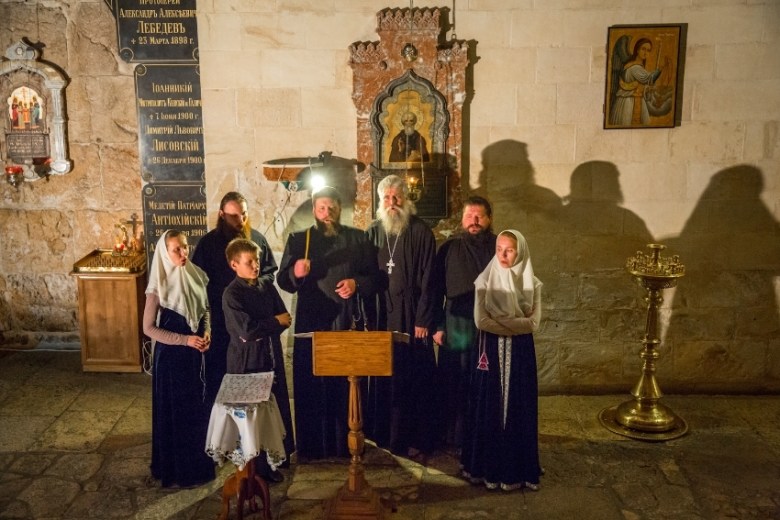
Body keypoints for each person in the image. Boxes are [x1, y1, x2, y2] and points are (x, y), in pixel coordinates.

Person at [277, 186, 378, 461]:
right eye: (321, 208)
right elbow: (283, 281)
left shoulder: (358, 239)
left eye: (331, 208)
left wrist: (356, 283)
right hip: (313, 323)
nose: (327, 213)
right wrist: (295, 271)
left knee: (345, 384)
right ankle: (313, 446)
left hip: (346, 322)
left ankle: (347, 444)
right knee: (313, 384)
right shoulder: (300, 240)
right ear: (314, 210)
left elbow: (375, 278)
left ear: (339, 209)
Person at [460, 229, 543, 492]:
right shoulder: (484, 281)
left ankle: (517, 468)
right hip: (489, 350)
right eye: (499, 249)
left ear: (521, 252)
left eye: (509, 250)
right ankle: (486, 466)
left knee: (519, 405)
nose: (503, 255)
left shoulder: (533, 284)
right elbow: (481, 321)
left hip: (520, 353)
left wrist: (501, 322)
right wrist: (515, 324)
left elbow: (534, 323)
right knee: (488, 405)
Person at [364, 175, 438, 462]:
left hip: (411, 316)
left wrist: (423, 319)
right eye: (386, 198)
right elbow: (365, 275)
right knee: (385, 374)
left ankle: (415, 438)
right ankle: (384, 434)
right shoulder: (373, 232)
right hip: (382, 314)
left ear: (406, 199)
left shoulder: (421, 231)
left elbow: (430, 280)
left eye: (397, 197)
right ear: (380, 201)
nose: (392, 202)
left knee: (413, 378)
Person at [191, 192, 279, 410]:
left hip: (254, 320)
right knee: (221, 373)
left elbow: (269, 272)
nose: (241, 220)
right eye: (234, 216)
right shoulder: (208, 244)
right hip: (221, 322)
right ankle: (220, 423)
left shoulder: (257, 239)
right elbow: (198, 282)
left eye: (244, 214)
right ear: (222, 215)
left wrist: (252, 285)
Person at [143, 229, 216, 489]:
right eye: (176, 249)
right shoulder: (158, 285)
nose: (183, 253)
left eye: (185, 246)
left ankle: (197, 466)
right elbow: (148, 328)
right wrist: (185, 340)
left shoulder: (195, 274)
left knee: (196, 411)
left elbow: (205, 309)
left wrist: (205, 332)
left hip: (194, 355)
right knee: (177, 414)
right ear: (165, 253)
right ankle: (177, 470)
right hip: (172, 359)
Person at [222, 238, 292, 482]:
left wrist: (267, 326)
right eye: (249, 262)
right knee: (251, 420)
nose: (256, 266)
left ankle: (270, 464)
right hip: (247, 363)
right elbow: (247, 331)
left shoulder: (266, 286)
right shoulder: (232, 294)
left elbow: (285, 318)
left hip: (269, 355)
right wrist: (272, 323)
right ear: (234, 264)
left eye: (257, 260)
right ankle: (253, 471)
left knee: (269, 416)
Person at [431, 196, 497, 450]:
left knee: (486, 381)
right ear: (462, 219)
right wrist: (438, 325)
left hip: (490, 326)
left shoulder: (500, 248)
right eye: (469, 216)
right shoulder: (448, 248)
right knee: (454, 381)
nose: (474, 221)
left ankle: (484, 433)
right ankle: (454, 436)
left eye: (479, 216)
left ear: (489, 219)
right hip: (455, 324)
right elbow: (436, 290)